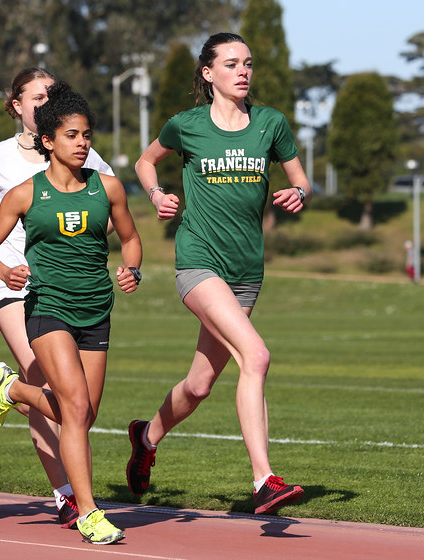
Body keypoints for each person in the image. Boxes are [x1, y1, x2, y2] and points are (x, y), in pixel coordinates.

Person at [126, 32, 309, 516]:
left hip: (247, 269)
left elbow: (300, 177)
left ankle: (145, 437)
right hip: (198, 262)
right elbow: (145, 161)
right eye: (231, 64)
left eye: (248, 63)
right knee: (257, 354)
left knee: (200, 384)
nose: (243, 71)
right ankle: (264, 480)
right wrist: (156, 194)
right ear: (209, 74)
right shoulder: (186, 125)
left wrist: (300, 194)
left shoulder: (271, 123)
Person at [0, 67, 115, 527]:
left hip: (71, 289)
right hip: (13, 285)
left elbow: (108, 199)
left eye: (51, 96)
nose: (44, 103)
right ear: (16, 105)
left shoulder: (78, 148)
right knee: (50, 386)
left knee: (66, 402)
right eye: (36, 97)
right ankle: (66, 494)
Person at [0, 83, 141, 545]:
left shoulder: (107, 187)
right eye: (72, 135)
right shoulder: (25, 194)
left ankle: (13, 389)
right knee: (73, 405)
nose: (82, 142)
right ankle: (87, 511)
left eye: (87, 134)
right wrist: (5, 272)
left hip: (96, 310)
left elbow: (130, 238)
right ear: (48, 141)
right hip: (47, 307)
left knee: (83, 415)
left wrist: (132, 268)